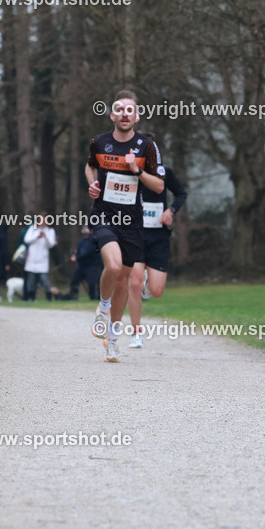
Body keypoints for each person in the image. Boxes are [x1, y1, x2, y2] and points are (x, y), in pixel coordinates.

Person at [86, 90, 164, 362]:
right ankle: (103, 307)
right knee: (114, 266)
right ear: (112, 115)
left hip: (132, 221)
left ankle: (113, 339)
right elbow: (89, 167)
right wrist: (92, 183)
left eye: (129, 110)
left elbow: (159, 185)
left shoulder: (147, 147)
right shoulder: (99, 142)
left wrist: (137, 170)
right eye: (119, 109)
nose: (124, 114)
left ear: (137, 116)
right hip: (104, 215)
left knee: (124, 283)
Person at [126, 142, 187, 348]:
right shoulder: (127, 172)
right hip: (135, 233)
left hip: (159, 235)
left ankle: (147, 284)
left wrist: (170, 211)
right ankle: (136, 332)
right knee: (133, 282)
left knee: (157, 290)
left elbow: (181, 193)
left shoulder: (164, 173)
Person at [23, 212, 57, 302]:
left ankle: (48, 297)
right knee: (31, 280)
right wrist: (36, 236)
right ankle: (31, 297)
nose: (42, 222)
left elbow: (51, 244)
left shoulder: (50, 230)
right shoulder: (33, 228)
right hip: (32, 258)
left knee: (44, 280)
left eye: (44, 220)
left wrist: (45, 237)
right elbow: (26, 240)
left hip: (43, 259)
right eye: (40, 220)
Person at [68, 226, 102, 300]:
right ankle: (73, 296)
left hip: (92, 265)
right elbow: (79, 250)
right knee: (74, 280)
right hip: (82, 265)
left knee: (92, 283)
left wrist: (77, 257)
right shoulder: (82, 241)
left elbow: (87, 252)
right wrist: (75, 253)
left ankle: (93, 298)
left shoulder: (93, 241)